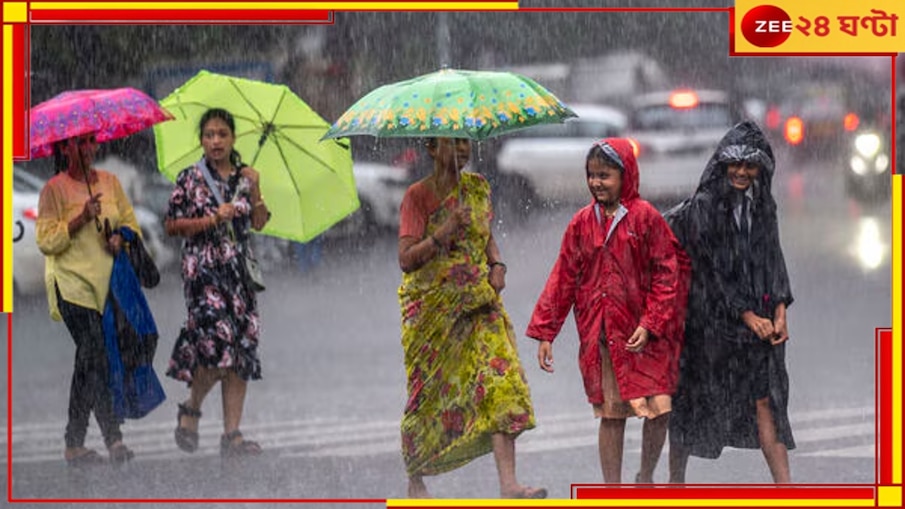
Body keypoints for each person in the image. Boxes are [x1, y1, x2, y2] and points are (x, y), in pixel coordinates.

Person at [526, 138, 688, 484]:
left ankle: (645, 475)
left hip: (646, 337)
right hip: (605, 336)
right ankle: (612, 490)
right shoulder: (581, 224)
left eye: (606, 175)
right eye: (592, 175)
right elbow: (563, 278)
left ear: (625, 175)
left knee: (659, 409)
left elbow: (666, 274)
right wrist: (545, 332)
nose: (597, 183)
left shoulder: (646, 219)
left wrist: (652, 322)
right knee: (612, 415)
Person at [397, 137, 545, 499]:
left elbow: (485, 235)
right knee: (429, 395)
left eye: (465, 142)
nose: (462, 150)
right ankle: (416, 478)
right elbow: (406, 259)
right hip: (434, 310)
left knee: (502, 382)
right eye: (453, 143)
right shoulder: (418, 196)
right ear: (432, 149)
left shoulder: (477, 188)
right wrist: (442, 234)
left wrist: (497, 263)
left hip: (480, 302)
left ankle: (509, 484)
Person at [665, 121, 794, 484]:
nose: (741, 172)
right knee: (691, 403)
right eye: (734, 164)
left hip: (757, 322)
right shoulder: (706, 207)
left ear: (761, 168)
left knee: (766, 399)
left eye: (749, 165)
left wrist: (780, 309)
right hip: (709, 324)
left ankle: (786, 489)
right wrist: (747, 314)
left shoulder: (763, 205)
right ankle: (675, 482)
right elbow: (712, 269)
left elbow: (773, 258)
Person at [165, 108, 271, 459]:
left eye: (222, 134)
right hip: (203, 270)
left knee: (240, 349)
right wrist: (212, 219)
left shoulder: (245, 176)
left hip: (239, 273)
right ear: (201, 140)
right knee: (216, 344)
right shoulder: (190, 178)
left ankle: (232, 434)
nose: (215, 141)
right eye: (209, 134)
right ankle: (191, 408)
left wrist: (255, 191)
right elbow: (172, 225)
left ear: (233, 139)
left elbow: (258, 222)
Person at [36, 132, 139, 466]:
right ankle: (114, 439)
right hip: (70, 285)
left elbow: (130, 225)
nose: (85, 148)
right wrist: (80, 218)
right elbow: (47, 241)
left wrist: (119, 239)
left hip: (104, 286)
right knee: (94, 354)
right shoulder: (54, 189)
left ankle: (73, 444)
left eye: (90, 141)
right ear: (64, 148)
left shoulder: (109, 182)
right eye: (77, 143)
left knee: (89, 362)